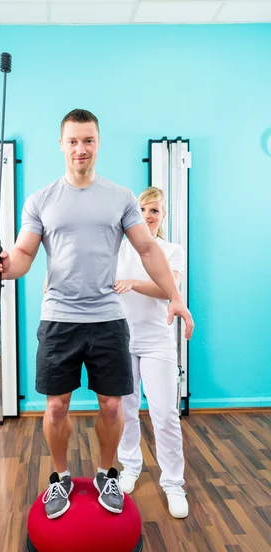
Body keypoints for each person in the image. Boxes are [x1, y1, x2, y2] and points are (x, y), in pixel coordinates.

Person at [0, 109, 194, 519]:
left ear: (98, 143)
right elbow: (25, 253)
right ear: (61, 145)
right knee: (56, 407)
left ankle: (106, 474)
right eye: (73, 141)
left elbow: (149, 250)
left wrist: (175, 297)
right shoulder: (41, 200)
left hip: (107, 318)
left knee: (114, 407)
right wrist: (4, 266)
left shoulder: (120, 198)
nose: (81, 149)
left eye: (88, 140)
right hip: (60, 317)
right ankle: (60, 477)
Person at [114, 186, 189, 518]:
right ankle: (129, 466)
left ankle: (173, 484)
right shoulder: (118, 247)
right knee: (125, 410)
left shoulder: (172, 250)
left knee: (165, 415)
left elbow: (167, 289)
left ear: (163, 215)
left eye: (155, 210)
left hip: (158, 341)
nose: (148, 216)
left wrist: (133, 282)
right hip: (120, 339)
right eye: (143, 210)